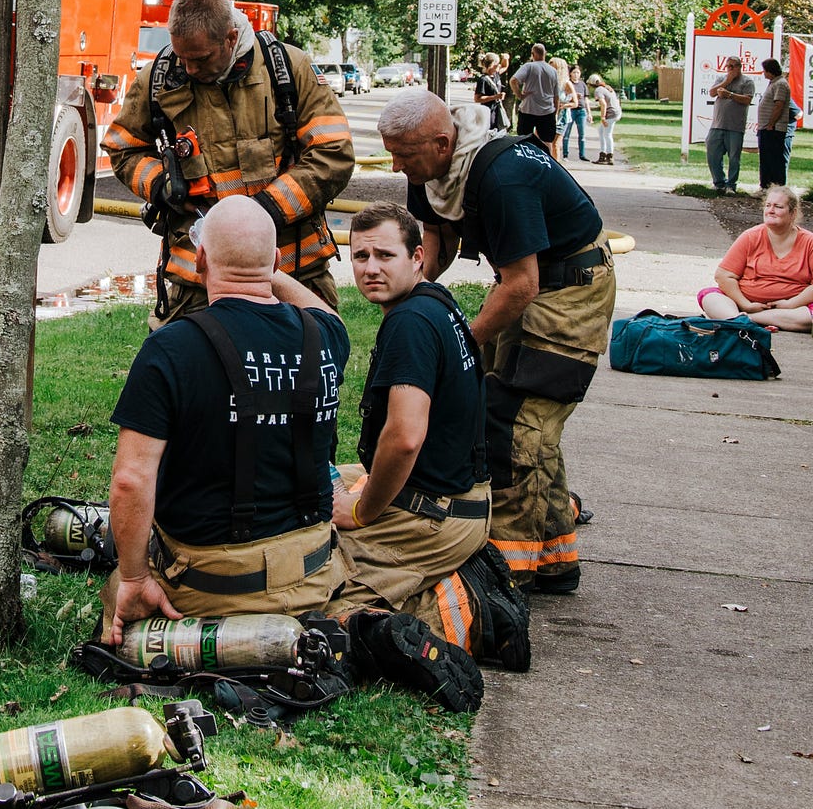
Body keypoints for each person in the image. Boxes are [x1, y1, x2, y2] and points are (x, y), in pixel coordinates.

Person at [99, 195, 482, 711]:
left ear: (201, 261)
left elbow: (130, 480)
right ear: (277, 263)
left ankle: (277, 640)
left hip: (213, 583)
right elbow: (323, 311)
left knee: (114, 594)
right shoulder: (322, 336)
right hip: (312, 573)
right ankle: (365, 622)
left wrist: (134, 578)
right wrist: (263, 268)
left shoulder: (170, 349)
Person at [376, 91, 616, 596]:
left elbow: (522, 284)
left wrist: (458, 344)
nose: (396, 165)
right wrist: (412, 307)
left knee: (517, 425)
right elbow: (436, 248)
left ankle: (505, 575)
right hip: (525, 280)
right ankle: (555, 560)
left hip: (571, 287)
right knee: (510, 413)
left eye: (404, 154)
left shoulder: (504, 175)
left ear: (443, 142)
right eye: (390, 152)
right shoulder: (430, 173)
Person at [330, 204, 530, 670]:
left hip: (436, 515)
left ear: (417, 256)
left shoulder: (411, 325)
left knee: (318, 587)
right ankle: (450, 578)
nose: (371, 268)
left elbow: (403, 438)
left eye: (385, 255)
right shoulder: (433, 302)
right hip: (458, 497)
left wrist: (363, 511)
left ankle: (471, 612)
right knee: (304, 491)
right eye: (360, 256)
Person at [103, 0, 354, 324]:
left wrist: (262, 212)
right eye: (182, 57)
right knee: (192, 375)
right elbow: (123, 148)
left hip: (293, 271)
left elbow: (333, 153)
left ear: (230, 37)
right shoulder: (160, 79)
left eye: (201, 59)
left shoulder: (287, 69)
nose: (189, 69)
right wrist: (164, 184)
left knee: (305, 372)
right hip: (199, 281)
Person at [697, 186, 813, 332]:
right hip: (746, 304)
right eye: (768, 205)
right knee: (710, 297)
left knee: (810, 317)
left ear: (793, 213)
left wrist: (790, 304)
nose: (770, 210)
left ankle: (744, 321)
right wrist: (745, 304)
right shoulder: (751, 236)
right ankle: (745, 318)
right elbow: (724, 275)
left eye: (778, 207)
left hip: (792, 308)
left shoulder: (809, 242)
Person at [705, 56, 755, 195]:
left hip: (735, 126)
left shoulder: (747, 81)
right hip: (717, 124)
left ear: (740, 67)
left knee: (734, 157)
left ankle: (731, 185)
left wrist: (730, 95)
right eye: (728, 66)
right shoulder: (722, 79)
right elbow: (712, 93)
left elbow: (747, 99)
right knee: (712, 153)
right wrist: (727, 81)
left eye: (734, 66)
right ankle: (719, 182)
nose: (731, 69)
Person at [508, 43, 559, 152]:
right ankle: (547, 162)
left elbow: (513, 80)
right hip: (547, 110)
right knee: (547, 141)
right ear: (545, 54)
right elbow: (556, 96)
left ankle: (525, 160)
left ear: (533, 54)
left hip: (528, 109)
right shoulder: (553, 71)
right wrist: (555, 111)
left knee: (523, 139)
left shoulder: (529, 66)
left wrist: (520, 95)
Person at [756, 58, 792, 190]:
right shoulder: (773, 83)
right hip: (767, 127)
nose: (763, 73)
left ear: (770, 71)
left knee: (773, 159)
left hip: (773, 129)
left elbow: (779, 105)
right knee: (765, 158)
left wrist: (771, 123)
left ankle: (775, 186)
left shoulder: (781, 84)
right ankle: (766, 185)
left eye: (765, 70)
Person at [561, 64, 589, 162]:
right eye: (574, 72)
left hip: (581, 110)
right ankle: (565, 154)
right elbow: (564, 96)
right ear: (570, 73)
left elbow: (586, 99)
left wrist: (589, 113)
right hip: (571, 110)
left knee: (582, 134)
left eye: (578, 72)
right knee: (566, 132)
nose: (576, 74)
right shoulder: (568, 84)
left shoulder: (582, 84)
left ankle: (582, 154)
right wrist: (574, 96)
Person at [590, 73, 620, 165]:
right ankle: (603, 154)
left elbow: (603, 104)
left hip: (610, 114)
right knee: (601, 131)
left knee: (607, 134)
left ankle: (609, 156)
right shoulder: (606, 87)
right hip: (616, 112)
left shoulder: (598, 90)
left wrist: (603, 117)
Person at [473, 52, 507, 131]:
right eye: (497, 64)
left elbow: (505, 66)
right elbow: (477, 99)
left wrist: (505, 58)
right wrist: (496, 97)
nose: (499, 65)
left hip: (497, 110)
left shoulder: (496, 75)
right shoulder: (483, 80)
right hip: (488, 112)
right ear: (492, 65)